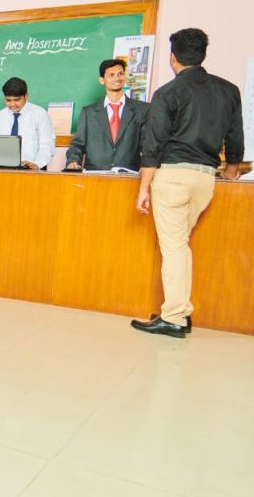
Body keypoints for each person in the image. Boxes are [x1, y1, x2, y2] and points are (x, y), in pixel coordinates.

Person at [131, 28, 244, 338]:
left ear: (173, 58)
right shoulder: (228, 90)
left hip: (173, 177)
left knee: (175, 248)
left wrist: (143, 188)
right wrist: (231, 170)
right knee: (180, 245)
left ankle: (174, 317)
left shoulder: (167, 92)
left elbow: (153, 144)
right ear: (202, 54)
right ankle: (180, 312)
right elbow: (235, 136)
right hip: (206, 178)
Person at [66, 59, 149, 171]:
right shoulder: (88, 112)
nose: (117, 78)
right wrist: (73, 161)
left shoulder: (142, 110)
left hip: (128, 176)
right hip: (95, 176)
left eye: (120, 74)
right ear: (102, 80)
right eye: (111, 75)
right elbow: (77, 145)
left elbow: (148, 146)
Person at [0, 77, 55, 170]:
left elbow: (47, 145)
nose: (12, 104)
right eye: (8, 100)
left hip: (33, 169)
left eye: (16, 100)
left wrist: (37, 164)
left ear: (26, 96)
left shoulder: (40, 114)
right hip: (5, 169)